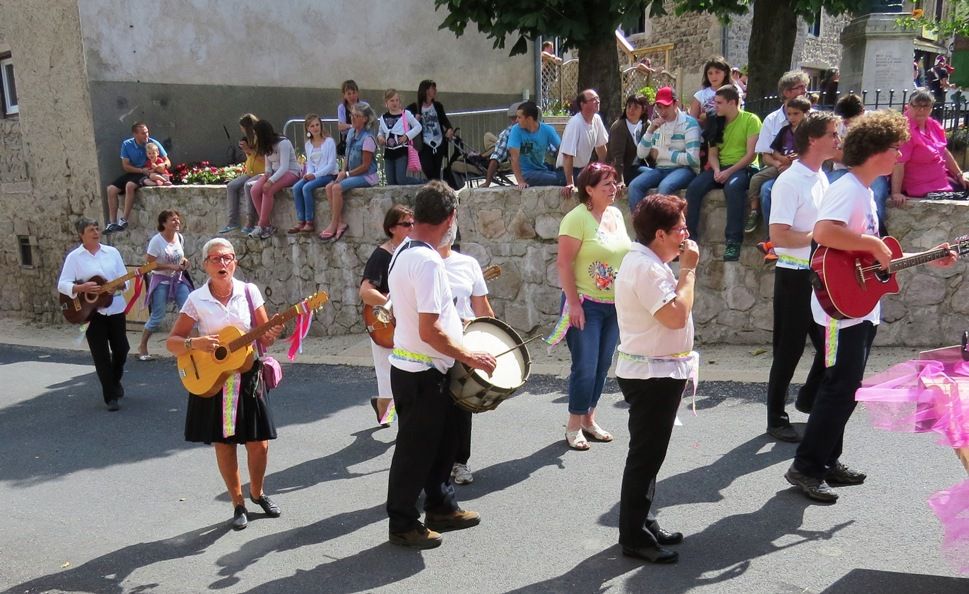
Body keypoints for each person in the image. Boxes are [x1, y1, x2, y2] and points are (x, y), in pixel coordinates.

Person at [785, 110, 957, 503]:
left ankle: (828, 460)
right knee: (838, 388)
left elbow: (873, 258)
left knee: (847, 389)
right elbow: (825, 232)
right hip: (837, 311)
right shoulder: (847, 188)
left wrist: (931, 255)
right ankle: (806, 467)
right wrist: (874, 245)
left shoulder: (862, 190)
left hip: (859, 307)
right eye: (895, 148)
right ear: (875, 151)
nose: (900, 155)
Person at [385, 181, 496, 549]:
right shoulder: (429, 261)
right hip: (422, 372)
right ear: (450, 219)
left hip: (421, 368)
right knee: (415, 452)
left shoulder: (404, 250)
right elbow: (429, 329)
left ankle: (441, 507)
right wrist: (469, 355)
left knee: (442, 444)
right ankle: (402, 523)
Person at [166, 238, 284, 530]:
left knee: (260, 444)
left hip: (248, 374)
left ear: (235, 262)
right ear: (205, 264)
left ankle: (257, 492)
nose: (222, 264)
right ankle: (238, 502)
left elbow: (265, 336)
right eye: (216, 259)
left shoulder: (249, 292)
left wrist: (272, 333)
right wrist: (198, 342)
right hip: (213, 378)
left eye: (227, 258)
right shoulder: (196, 299)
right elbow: (173, 342)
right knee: (224, 444)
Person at [614, 193, 698, 565]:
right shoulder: (645, 268)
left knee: (651, 456)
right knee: (645, 457)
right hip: (651, 375)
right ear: (660, 234)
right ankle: (633, 536)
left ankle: (643, 523)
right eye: (681, 229)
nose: (686, 235)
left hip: (659, 370)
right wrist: (689, 271)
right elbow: (675, 316)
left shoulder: (649, 262)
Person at [763, 112, 839, 443]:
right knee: (788, 350)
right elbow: (778, 236)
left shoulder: (821, 176)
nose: (838, 140)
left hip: (818, 274)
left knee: (830, 349)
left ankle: (807, 399)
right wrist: (818, 235)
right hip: (794, 276)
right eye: (833, 134)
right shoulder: (790, 181)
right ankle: (776, 417)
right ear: (813, 140)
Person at [555, 163, 631, 450]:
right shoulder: (576, 219)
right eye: (607, 185)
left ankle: (589, 419)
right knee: (585, 366)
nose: (614, 189)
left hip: (614, 305)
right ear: (589, 189)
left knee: (602, 365)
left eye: (614, 184)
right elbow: (563, 263)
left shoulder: (615, 214)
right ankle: (573, 425)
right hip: (586, 304)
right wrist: (573, 303)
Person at [439, 228, 495, 486]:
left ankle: (459, 461)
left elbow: (483, 309)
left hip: (465, 343)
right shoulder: (421, 261)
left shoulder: (468, 264)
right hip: (433, 347)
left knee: (461, 406)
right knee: (435, 408)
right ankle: (434, 465)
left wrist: (490, 336)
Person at [58, 218, 131, 411]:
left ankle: (114, 381)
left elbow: (127, 281)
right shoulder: (75, 257)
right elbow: (62, 284)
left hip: (115, 308)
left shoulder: (112, 253)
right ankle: (110, 397)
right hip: (90, 313)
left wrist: (122, 284)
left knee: (122, 348)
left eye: (97, 229)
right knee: (100, 355)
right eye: (91, 229)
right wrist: (80, 287)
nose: (96, 232)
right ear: (82, 234)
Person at [684, 85, 761, 262]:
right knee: (694, 188)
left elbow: (751, 155)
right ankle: (689, 238)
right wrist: (718, 170)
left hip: (742, 167)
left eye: (718, 103)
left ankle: (733, 241)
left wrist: (729, 172)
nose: (714, 106)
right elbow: (712, 154)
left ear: (732, 103)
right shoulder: (715, 121)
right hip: (720, 167)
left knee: (733, 189)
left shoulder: (751, 120)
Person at [359, 204, 415, 427]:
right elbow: (365, 292)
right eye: (406, 224)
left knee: (405, 370)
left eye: (413, 223)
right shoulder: (382, 256)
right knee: (387, 373)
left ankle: (391, 412)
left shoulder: (413, 251)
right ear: (392, 228)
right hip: (384, 321)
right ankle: (386, 409)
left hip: (406, 320)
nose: (412, 227)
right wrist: (390, 304)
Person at [746, 71, 810, 234]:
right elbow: (765, 155)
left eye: (806, 87)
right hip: (779, 168)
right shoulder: (772, 120)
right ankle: (773, 240)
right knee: (767, 190)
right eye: (800, 87)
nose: (805, 91)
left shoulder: (813, 118)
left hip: (806, 171)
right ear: (786, 92)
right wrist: (779, 164)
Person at [626, 87, 701, 212]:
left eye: (666, 106)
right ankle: (641, 228)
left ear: (675, 103)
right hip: (660, 169)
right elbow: (641, 153)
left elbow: (693, 159)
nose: (662, 111)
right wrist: (650, 131)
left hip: (684, 169)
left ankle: (663, 227)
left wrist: (664, 154)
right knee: (634, 186)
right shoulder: (657, 124)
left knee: (665, 187)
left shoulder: (689, 124)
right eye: (659, 107)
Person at [891, 90, 967, 205]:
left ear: (931, 107)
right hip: (920, 186)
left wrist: (959, 175)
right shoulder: (904, 130)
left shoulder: (933, 125)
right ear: (908, 106)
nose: (921, 110)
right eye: (917, 105)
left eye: (926, 106)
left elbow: (944, 152)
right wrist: (896, 193)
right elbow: (898, 163)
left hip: (941, 180)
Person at [828, 94, 889, 234]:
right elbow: (833, 154)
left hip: (870, 171)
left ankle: (877, 234)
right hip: (842, 170)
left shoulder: (873, 125)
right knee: (829, 190)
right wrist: (856, 159)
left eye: (850, 120)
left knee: (878, 194)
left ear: (862, 112)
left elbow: (875, 156)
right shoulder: (838, 124)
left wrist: (847, 157)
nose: (846, 124)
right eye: (844, 120)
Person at [137, 210, 193, 361]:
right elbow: (150, 265)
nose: (177, 222)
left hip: (178, 280)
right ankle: (142, 346)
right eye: (173, 220)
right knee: (157, 316)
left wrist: (184, 262)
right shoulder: (156, 241)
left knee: (189, 312)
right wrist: (170, 266)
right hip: (161, 281)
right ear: (163, 223)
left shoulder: (179, 238)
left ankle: (191, 348)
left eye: (177, 219)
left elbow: (180, 257)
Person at [321, 102, 379, 241]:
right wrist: (343, 171)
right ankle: (340, 222)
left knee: (336, 188)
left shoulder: (368, 138)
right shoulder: (351, 133)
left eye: (356, 116)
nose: (352, 118)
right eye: (352, 115)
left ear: (365, 119)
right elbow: (347, 155)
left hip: (367, 176)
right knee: (329, 187)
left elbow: (365, 166)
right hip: (352, 173)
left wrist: (347, 175)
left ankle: (334, 223)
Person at [105, 122, 169, 233]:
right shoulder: (127, 144)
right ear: (135, 134)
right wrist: (140, 170)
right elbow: (125, 165)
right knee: (111, 189)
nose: (146, 135)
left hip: (148, 172)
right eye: (143, 133)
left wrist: (162, 165)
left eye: (147, 132)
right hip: (136, 171)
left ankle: (124, 220)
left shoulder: (153, 143)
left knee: (130, 186)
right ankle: (112, 223)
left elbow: (168, 161)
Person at [248, 119, 300, 240]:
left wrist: (270, 181)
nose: (255, 137)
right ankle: (266, 225)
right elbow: (268, 167)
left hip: (290, 172)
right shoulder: (266, 146)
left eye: (256, 134)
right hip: (275, 173)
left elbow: (284, 167)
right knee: (255, 190)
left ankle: (261, 225)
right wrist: (266, 176)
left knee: (268, 190)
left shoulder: (283, 143)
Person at [289, 113, 337, 234]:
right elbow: (310, 163)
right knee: (296, 188)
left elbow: (331, 165)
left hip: (327, 174)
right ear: (308, 129)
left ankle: (309, 221)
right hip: (314, 174)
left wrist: (314, 175)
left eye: (317, 125)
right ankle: (301, 221)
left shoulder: (329, 142)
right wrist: (309, 173)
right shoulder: (308, 145)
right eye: (312, 126)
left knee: (307, 188)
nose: (315, 128)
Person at [557, 89, 609, 196]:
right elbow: (567, 155)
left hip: (582, 170)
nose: (597, 101)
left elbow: (601, 147)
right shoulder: (575, 123)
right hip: (567, 171)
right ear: (583, 104)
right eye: (593, 99)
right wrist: (570, 183)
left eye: (598, 98)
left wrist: (603, 169)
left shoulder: (597, 119)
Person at [220, 113, 263, 235]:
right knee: (231, 186)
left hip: (261, 172)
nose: (241, 130)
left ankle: (251, 221)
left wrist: (249, 151)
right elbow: (251, 157)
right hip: (250, 172)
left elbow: (264, 159)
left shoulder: (260, 139)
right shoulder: (250, 139)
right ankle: (232, 221)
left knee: (248, 186)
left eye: (242, 127)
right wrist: (246, 151)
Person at [507, 101, 563, 188]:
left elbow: (562, 149)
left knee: (567, 174)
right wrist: (520, 181)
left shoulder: (548, 130)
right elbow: (514, 158)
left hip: (543, 168)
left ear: (529, 119)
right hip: (527, 173)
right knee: (559, 179)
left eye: (519, 117)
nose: (516, 120)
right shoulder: (516, 130)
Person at [407, 80, 454, 181]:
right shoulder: (414, 107)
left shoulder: (437, 106)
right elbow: (404, 120)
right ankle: (434, 187)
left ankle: (436, 191)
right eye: (433, 88)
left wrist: (449, 129)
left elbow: (444, 120)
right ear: (426, 90)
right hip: (424, 144)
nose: (435, 91)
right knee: (427, 167)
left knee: (437, 171)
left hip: (439, 142)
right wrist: (415, 119)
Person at [378, 89, 423, 186]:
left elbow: (418, 126)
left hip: (401, 150)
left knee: (401, 179)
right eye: (392, 100)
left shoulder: (406, 114)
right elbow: (380, 132)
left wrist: (407, 136)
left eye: (397, 100)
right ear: (386, 102)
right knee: (391, 181)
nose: (395, 103)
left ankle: (421, 183)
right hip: (389, 151)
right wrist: (380, 137)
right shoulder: (383, 117)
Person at [606, 95, 648, 189]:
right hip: (623, 171)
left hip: (637, 167)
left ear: (643, 110)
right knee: (652, 176)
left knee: (657, 175)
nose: (631, 110)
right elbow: (617, 157)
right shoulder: (619, 127)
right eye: (629, 106)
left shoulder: (646, 125)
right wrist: (620, 181)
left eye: (635, 107)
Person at [481, 102, 521, 188]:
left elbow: (496, 158)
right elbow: (496, 158)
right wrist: (487, 183)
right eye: (514, 119)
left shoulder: (538, 130)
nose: (516, 121)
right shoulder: (508, 133)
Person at [688, 56, 731, 131]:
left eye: (717, 72)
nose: (713, 76)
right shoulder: (699, 95)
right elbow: (692, 120)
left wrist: (706, 116)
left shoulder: (733, 92)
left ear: (725, 73)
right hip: (705, 137)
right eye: (710, 73)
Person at [336, 80, 362, 157]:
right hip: (349, 141)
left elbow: (367, 124)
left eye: (354, 93)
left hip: (362, 140)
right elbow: (341, 127)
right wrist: (353, 126)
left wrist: (347, 126)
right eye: (349, 94)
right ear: (344, 95)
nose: (352, 96)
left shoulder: (364, 106)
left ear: (357, 93)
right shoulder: (342, 108)